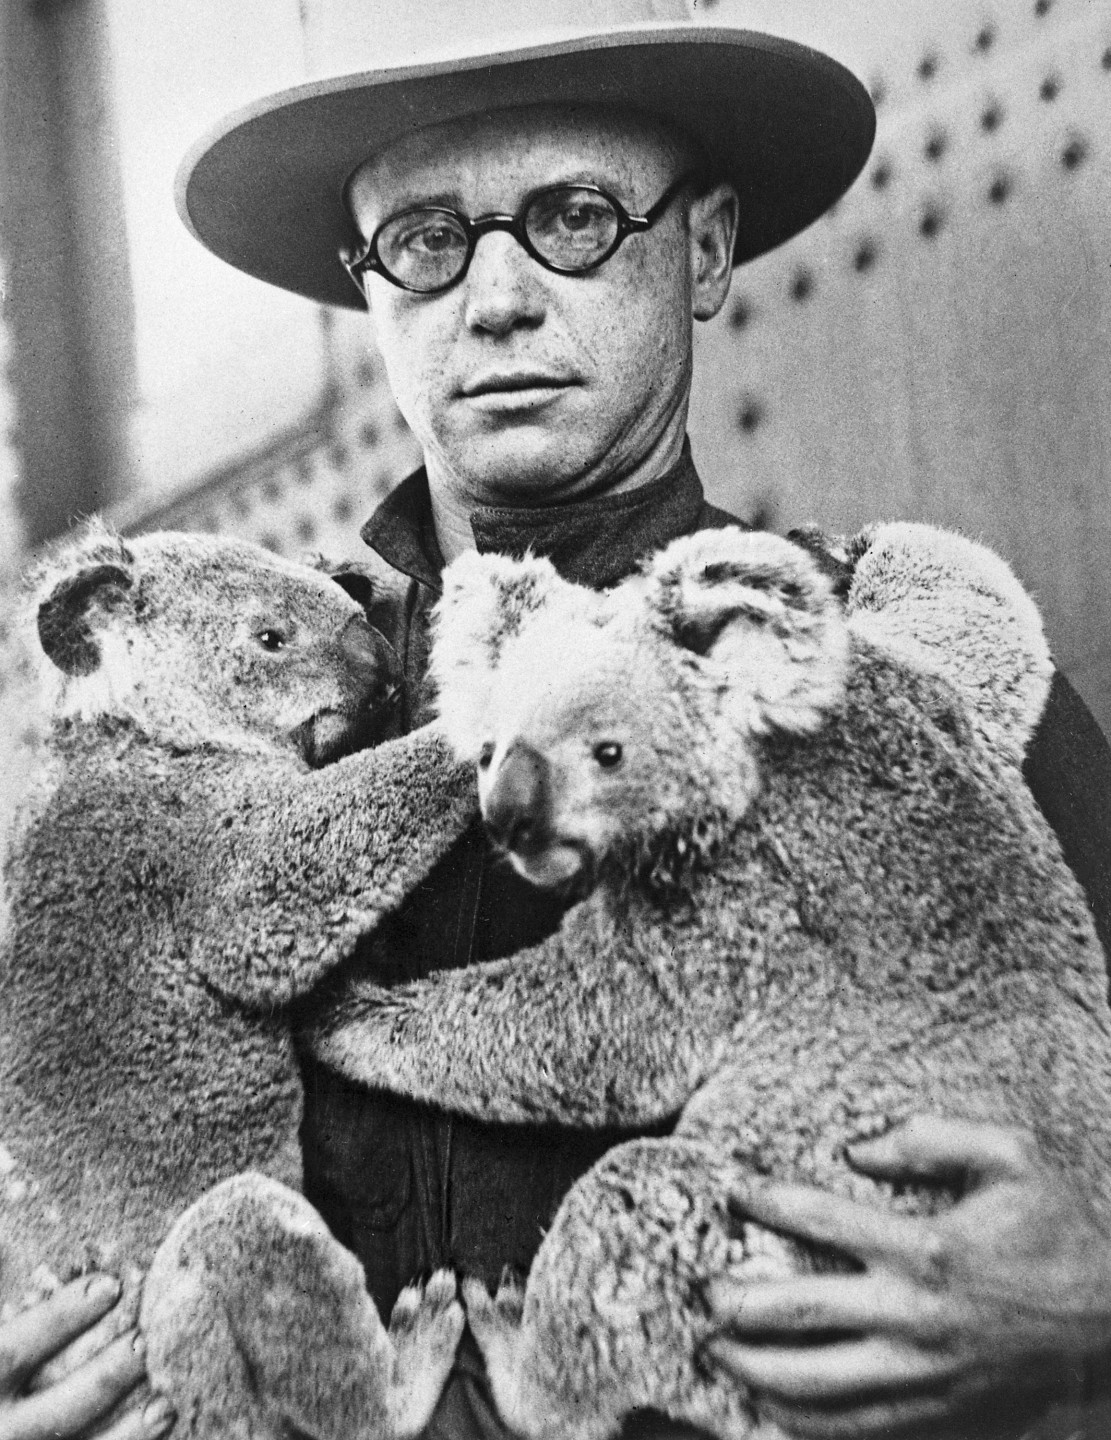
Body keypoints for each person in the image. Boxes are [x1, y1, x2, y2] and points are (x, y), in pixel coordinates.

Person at [7, 5, 1111, 1438]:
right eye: (423, 241)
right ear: (372, 293)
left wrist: (1096, 1298)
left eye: (576, 218)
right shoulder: (198, 742)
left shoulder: (889, 668)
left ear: (704, 249)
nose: (500, 298)